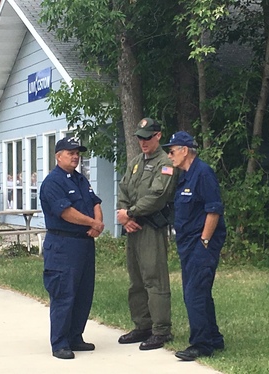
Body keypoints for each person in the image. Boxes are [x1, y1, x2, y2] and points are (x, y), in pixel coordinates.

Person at [162, 131, 226, 361]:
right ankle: (214, 338)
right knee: (200, 291)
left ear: (185, 150)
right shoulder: (184, 176)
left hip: (202, 242)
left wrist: (205, 241)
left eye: (172, 151)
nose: (169, 156)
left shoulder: (203, 173)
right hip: (188, 243)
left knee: (194, 293)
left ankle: (201, 344)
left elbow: (214, 209)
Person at [40, 136, 104, 360]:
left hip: (84, 244)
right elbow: (65, 212)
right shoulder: (53, 182)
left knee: (83, 293)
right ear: (58, 156)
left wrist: (97, 223)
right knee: (64, 293)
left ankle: (75, 336)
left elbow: (95, 201)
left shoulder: (80, 179)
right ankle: (60, 342)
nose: (75, 156)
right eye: (70, 152)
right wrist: (92, 223)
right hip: (63, 244)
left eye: (77, 152)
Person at [117, 117, 178, 351]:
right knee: (136, 279)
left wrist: (130, 213)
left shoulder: (166, 163)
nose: (143, 142)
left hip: (151, 227)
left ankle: (161, 329)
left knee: (154, 278)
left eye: (147, 138)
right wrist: (124, 216)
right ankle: (142, 325)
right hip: (133, 228)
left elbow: (157, 196)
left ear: (158, 136)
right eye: (140, 138)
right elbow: (123, 189)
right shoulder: (135, 163)